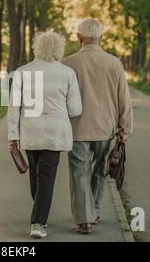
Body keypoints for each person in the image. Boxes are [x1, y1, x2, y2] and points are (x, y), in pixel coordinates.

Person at [8, 31, 82, 238]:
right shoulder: (67, 73)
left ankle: (38, 220)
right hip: (55, 131)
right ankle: (39, 218)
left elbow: (14, 107)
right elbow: (75, 109)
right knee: (45, 176)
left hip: (30, 131)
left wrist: (12, 135)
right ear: (59, 49)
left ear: (36, 48)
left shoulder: (22, 71)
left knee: (37, 174)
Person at [63, 18, 133, 234]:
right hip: (106, 129)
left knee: (79, 173)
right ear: (100, 37)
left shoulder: (68, 63)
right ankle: (95, 210)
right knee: (100, 171)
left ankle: (85, 219)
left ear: (78, 38)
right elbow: (124, 98)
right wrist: (125, 129)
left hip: (77, 128)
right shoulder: (114, 63)